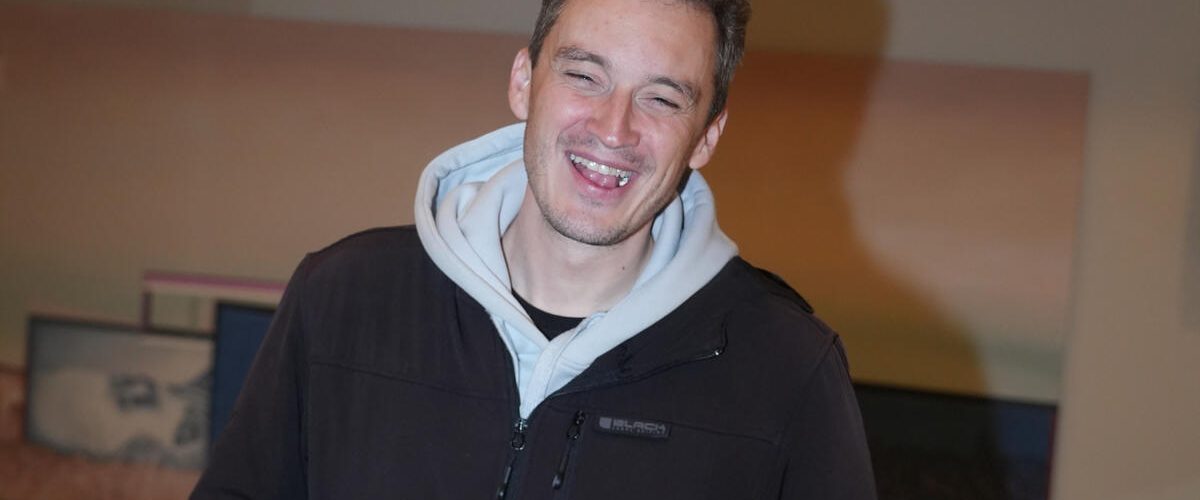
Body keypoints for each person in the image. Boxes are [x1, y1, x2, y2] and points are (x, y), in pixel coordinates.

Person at [192, 0, 877, 498]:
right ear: (524, 81)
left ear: (706, 136)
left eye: (662, 100)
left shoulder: (788, 370)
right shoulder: (344, 297)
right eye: (585, 75)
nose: (614, 129)